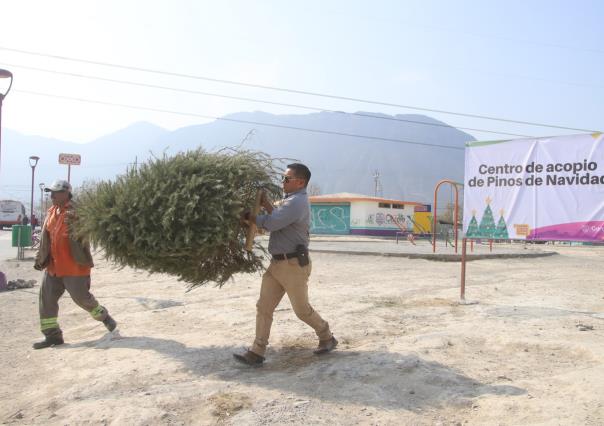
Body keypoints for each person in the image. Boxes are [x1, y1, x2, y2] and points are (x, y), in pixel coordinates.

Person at [234, 163, 337, 366]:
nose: (283, 182)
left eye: (286, 179)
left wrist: (250, 217)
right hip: (277, 264)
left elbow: (272, 223)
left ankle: (327, 336)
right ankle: (257, 351)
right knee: (264, 307)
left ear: (300, 182)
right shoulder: (291, 201)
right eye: (283, 178)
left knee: (301, 310)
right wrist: (264, 205)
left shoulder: (297, 202)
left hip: (293, 266)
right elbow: (278, 218)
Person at [32, 179, 117, 349]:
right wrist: (40, 258)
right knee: (46, 301)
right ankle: (53, 336)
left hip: (74, 267)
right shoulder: (51, 212)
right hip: (53, 268)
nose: (52, 195)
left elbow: (91, 226)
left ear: (66, 194)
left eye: (55, 192)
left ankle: (104, 317)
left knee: (82, 299)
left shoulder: (77, 212)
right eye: (51, 192)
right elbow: (45, 239)